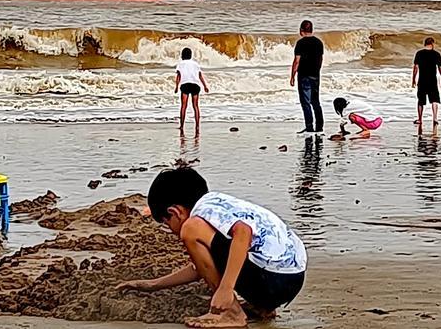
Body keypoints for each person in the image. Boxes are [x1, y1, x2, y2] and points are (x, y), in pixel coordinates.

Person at [120, 167, 307, 328]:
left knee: (190, 229)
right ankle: (263, 307)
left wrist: (225, 289)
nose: (171, 231)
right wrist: (152, 285)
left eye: (167, 224)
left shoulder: (200, 214)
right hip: (291, 279)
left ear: (174, 212)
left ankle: (231, 313)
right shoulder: (219, 203)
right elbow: (205, 267)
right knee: (228, 248)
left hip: (273, 280)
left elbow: (243, 233)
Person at [290, 20, 324, 135]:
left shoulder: (300, 43)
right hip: (315, 74)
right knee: (316, 101)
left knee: (305, 102)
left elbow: (297, 61)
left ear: (301, 30)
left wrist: (292, 76)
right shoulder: (319, 42)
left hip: (304, 75)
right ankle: (319, 127)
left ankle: (309, 127)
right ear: (311, 30)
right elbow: (320, 60)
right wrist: (317, 70)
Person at [412, 37, 441, 126]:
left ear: (425, 43)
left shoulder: (419, 53)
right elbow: (440, 68)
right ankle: (435, 118)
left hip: (422, 79)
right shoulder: (436, 54)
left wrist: (413, 79)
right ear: (432, 44)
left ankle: (420, 119)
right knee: (434, 99)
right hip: (432, 80)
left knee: (421, 100)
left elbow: (416, 67)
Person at [175, 48, 210, 136]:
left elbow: (178, 76)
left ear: (182, 55)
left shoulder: (180, 64)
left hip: (185, 84)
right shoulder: (195, 64)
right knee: (195, 106)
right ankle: (197, 125)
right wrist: (205, 86)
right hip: (195, 85)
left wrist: (176, 87)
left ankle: (182, 125)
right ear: (190, 55)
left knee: (184, 106)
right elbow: (200, 76)